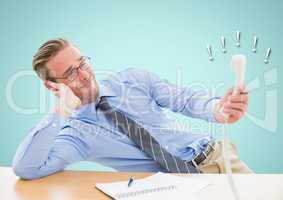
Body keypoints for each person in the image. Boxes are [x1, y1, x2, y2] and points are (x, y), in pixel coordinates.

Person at [12, 38, 251, 180]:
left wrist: (219, 109)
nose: (84, 74)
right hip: (174, 187)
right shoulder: (75, 135)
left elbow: (185, 100)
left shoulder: (132, 80)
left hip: (218, 157)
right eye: (71, 73)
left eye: (82, 63)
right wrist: (58, 113)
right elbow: (27, 168)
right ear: (51, 85)